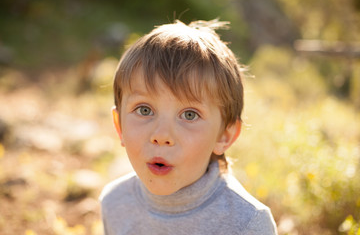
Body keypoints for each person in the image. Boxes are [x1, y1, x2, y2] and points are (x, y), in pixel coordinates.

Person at [99, 19, 278, 235]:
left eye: (189, 115)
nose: (162, 136)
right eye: (144, 110)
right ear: (119, 126)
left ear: (224, 135)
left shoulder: (247, 223)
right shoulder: (114, 203)